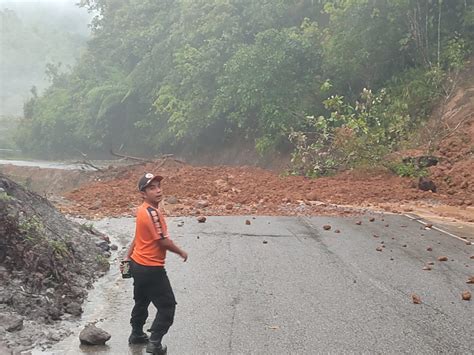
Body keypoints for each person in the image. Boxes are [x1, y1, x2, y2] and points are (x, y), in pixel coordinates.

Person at [121, 172, 188, 355]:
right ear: (143, 193)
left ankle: (136, 334)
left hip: (137, 265)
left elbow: (137, 237)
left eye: (158, 186)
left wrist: (127, 257)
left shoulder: (142, 209)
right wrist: (180, 251)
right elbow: (162, 241)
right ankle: (155, 343)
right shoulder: (152, 213)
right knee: (167, 306)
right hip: (151, 268)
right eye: (152, 188)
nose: (158, 191)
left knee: (141, 300)